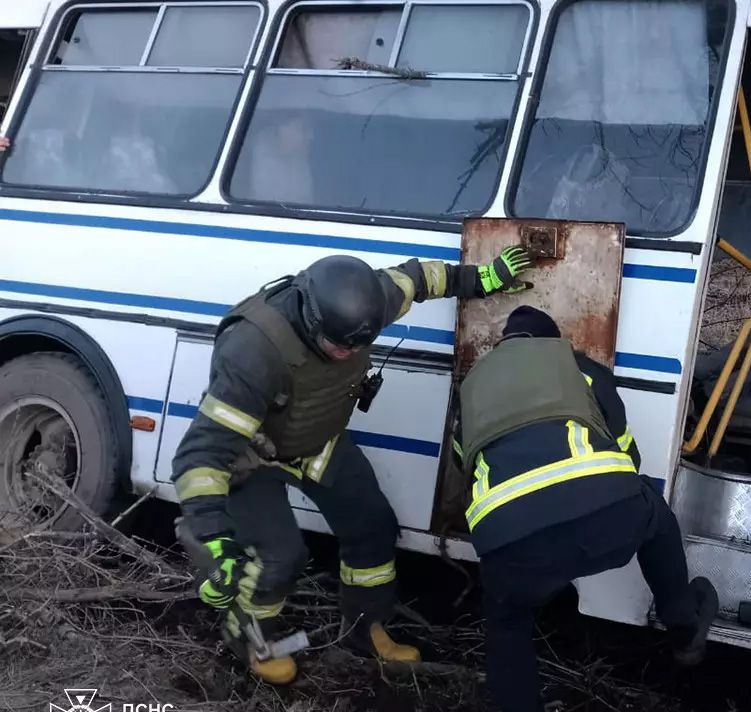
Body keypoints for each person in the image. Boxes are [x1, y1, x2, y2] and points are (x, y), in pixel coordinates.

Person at [171, 247, 532, 685]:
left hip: (318, 442)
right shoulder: (254, 349)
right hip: (254, 456)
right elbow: (201, 452)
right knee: (280, 557)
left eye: (357, 345)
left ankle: (365, 629)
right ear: (310, 318)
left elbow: (420, 278)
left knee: (373, 525)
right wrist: (215, 536)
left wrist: (484, 278)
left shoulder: (372, 302)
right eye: (335, 345)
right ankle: (251, 638)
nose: (346, 354)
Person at [452, 305, 718, 712]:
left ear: (506, 344)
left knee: (507, 626)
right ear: (554, 344)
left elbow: (463, 465)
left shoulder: (472, 387)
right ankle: (682, 628)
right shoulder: (582, 370)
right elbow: (627, 452)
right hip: (607, 521)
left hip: (513, 542)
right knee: (656, 517)